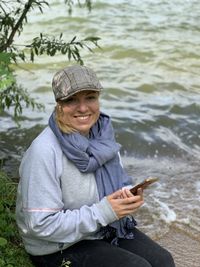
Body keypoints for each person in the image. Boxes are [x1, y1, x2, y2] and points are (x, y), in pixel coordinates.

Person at [16, 65, 175, 267]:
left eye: (90, 97)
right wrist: (104, 211)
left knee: (163, 261)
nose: (83, 108)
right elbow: (40, 225)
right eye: (72, 100)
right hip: (57, 245)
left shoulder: (102, 137)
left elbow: (114, 186)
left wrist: (127, 195)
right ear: (59, 104)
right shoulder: (44, 151)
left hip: (101, 228)